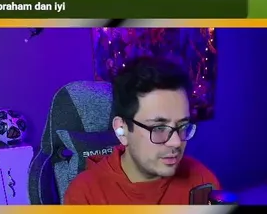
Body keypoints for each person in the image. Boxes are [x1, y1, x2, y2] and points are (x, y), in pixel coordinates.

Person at [64, 58, 219, 205]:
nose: (176, 142)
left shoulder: (202, 181)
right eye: (159, 128)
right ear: (121, 130)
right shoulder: (85, 195)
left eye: (183, 126)